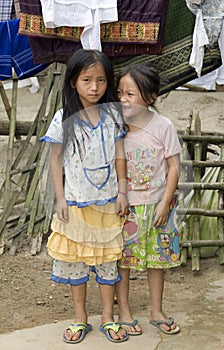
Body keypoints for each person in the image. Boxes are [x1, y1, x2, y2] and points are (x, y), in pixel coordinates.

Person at [41, 49, 129, 344]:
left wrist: (122, 192)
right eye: (87, 80)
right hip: (76, 204)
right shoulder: (64, 118)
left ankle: (107, 317)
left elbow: (119, 155)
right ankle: (80, 318)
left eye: (101, 80)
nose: (95, 87)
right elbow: (56, 160)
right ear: (72, 83)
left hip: (107, 204)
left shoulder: (113, 115)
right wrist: (60, 199)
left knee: (107, 262)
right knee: (76, 261)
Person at [115, 62, 181, 335]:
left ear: (150, 96)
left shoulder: (163, 125)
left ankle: (156, 310)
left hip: (158, 206)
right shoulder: (117, 126)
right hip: (127, 208)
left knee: (157, 261)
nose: (123, 99)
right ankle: (125, 311)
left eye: (130, 94)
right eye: (120, 93)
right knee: (124, 261)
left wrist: (165, 204)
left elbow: (174, 167)